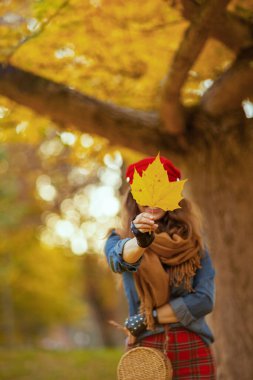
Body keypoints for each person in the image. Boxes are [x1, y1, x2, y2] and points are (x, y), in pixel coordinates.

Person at [104, 156, 217, 379]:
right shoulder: (119, 238)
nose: (153, 200)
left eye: (161, 191)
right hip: (146, 348)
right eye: (145, 192)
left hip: (191, 344)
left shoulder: (195, 244)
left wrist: (149, 318)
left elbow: (204, 301)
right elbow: (120, 260)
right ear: (133, 196)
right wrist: (140, 240)